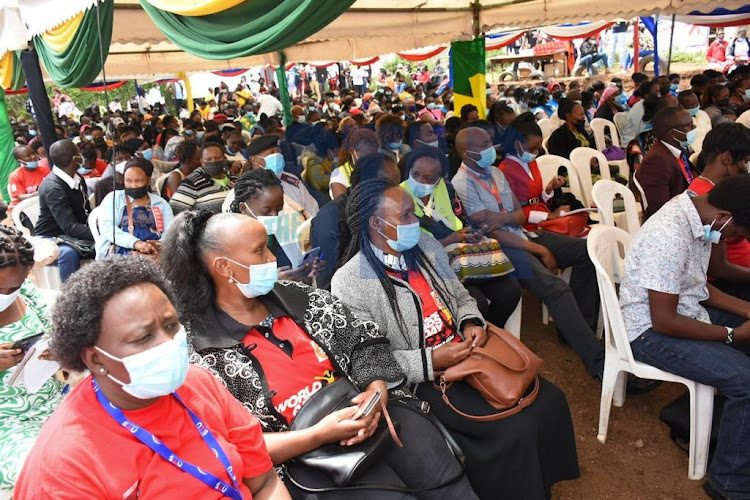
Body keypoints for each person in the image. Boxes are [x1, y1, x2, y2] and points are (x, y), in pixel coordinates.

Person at [160, 211, 478, 499]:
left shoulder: (301, 298)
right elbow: (230, 449)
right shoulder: (201, 356)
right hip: (308, 464)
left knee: (451, 484)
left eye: (268, 246)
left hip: (375, 418)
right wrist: (317, 435)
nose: (272, 257)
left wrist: (376, 386)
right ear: (224, 267)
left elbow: (365, 339)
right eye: (259, 251)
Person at [332, 178, 579, 499]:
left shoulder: (425, 246)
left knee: (549, 400)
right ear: (376, 224)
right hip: (423, 378)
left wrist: (472, 321)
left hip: (466, 350)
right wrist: (431, 361)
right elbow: (371, 360)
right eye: (404, 216)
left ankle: (540, 482)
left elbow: (460, 296)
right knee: (513, 430)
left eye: (413, 213)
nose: (415, 222)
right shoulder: (350, 282)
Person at [15, 256, 289, 499]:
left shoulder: (199, 383)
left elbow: (264, 482)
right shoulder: (63, 468)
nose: (168, 343)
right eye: (143, 337)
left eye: (171, 326)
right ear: (96, 359)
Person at [619, 176, 750, 500]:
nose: (736, 239)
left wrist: (747, 309)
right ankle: (730, 485)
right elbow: (664, 320)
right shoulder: (671, 233)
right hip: (647, 331)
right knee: (746, 381)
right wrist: (732, 335)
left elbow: (697, 289)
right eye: (739, 234)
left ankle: (738, 436)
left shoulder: (700, 213)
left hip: (683, 312)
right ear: (725, 217)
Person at [452, 126, 606, 380]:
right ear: (467, 153)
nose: (493, 147)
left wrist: (501, 218)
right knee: (556, 288)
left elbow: (521, 215)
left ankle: (576, 328)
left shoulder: (495, 173)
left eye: (491, 141)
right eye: (485, 145)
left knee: (588, 251)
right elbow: (491, 231)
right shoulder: (462, 184)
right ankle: (599, 363)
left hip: (525, 235)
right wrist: (540, 249)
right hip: (503, 248)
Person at [400, 146, 522, 327]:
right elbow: (407, 246)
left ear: (439, 179)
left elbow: (462, 222)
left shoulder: (447, 189)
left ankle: (491, 333)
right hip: (430, 265)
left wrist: (471, 234)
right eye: (414, 174)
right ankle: (475, 339)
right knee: (476, 302)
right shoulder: (399, 196)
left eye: (428, 178)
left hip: (462, 258)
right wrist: (451, 239)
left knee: (510, 291)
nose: (418, 180)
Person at [0, 227, 63, 495]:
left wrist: (59, 351)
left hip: (55, 405)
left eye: (14, 286)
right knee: (48, 470)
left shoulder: (30, 298)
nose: (6, 293)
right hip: (7, 425)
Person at [312, 153, 402, 291]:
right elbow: (335, 280)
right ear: (366, 184)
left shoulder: (379, 207)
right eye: (390, 186)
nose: (397, 192)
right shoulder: (331, 220)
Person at [686, 123, 750, 303]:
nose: (746, 168)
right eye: (745, 161)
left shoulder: (718, 190)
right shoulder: (707, 203)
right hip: (726, 284)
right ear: (728, 159)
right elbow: (718, 268)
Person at [229, 169, 324, 283]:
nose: (275, 216)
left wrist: (306, 274)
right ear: (244, 209)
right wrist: (275, 284)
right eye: (266, 211)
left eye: (279, 209)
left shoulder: (287, 228)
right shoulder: (230, 245)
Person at [32, 139, 93, 282]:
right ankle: (70, 294)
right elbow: (69, 226)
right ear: (75, 159)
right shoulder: (53, 188)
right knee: (68, 253)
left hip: (71, 234)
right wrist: (99, 234)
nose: (81, 155)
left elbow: (85, 213)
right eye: (78, 152)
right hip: (50, 236)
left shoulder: (77, 180)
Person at [96, 157, 174, 259]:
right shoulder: (114, 198)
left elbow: (170, 233)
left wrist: (159, 245)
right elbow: (107, 228)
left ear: (148, 180)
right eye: (128, 181)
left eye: (139, 181)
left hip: (154, 252)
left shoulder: (161, 204)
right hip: (119, 251)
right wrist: (136, 243)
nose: (133, 186)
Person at [636, 107, 698, 220]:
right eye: (689, 125)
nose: (694, 128)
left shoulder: (677, 151)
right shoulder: (656, 161)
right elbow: (661, 208)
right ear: (673, 133)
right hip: (673, 222)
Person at [240, 134, 319, 217]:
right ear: (255, 160)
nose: (277, 156)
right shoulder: (246, 187)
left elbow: (312, 210)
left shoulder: (292, 181)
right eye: (271, 153)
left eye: (278, 152)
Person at [169, 143, 231, 215]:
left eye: (218, 158)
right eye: (208, 159)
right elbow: (175, 213)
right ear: (202, 161)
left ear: (224, 158)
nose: (213, 161)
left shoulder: (234, 179)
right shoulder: (191, 184)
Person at [329, 128, 379, 199]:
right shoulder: (339, 176)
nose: (369, 160)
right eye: (365, 156)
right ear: (351, 151)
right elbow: (344, 206)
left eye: (373, 156)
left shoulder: (379, 169)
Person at [8, 145, 51, 214]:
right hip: (24, 209)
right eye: (28, 156)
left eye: (33, 153)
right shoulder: (15, 176)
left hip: (43, 205)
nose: (33, 157)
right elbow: (21, 197)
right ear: (21, 161)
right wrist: (41, 192)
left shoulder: (45, 170)